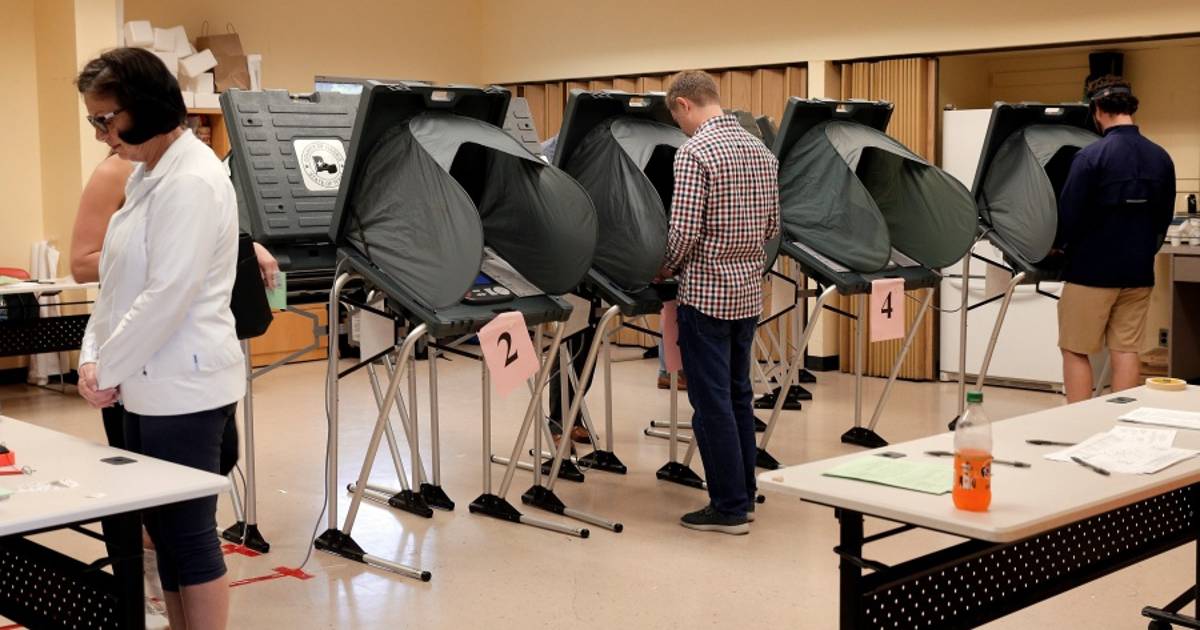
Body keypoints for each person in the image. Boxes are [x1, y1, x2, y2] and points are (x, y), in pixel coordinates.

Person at [75, 47, 242, 630]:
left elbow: (168, 295)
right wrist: (92, 358)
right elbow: (117, 287)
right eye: (93, 121)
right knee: (164, 534)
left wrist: (108, 367)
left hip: (186, 387)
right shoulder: (148, 175)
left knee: (189, 536)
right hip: (145, 385)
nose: (100, 135)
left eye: (105, 119)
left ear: (144, 107)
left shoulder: (190, 180)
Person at [658, 71, 779, 535]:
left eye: (677, 118)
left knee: (711, 403)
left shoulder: (695, 153)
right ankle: (743, 496)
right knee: (739, 396)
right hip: (747, 293)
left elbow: (684, 231)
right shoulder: (760, 150)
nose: (680, 127)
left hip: (705, 295)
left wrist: (663, 267)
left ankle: (727, 507)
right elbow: (772, 228)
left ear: (684, 105)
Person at [1057, 75, 1176, 403]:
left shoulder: (1091, 156)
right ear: (1131, 107)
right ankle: (1120, 421)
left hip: (1090, 273)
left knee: (1076, 349)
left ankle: (1078, 420)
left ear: (1097, 109)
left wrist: (1058, 248)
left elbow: (1069, 215)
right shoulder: (1161, 157)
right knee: (1125, 349)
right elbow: (1163, 218)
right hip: (1138, 272)